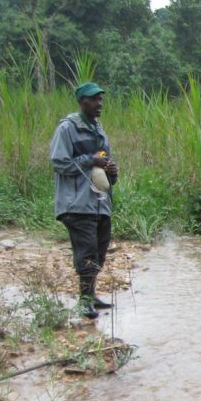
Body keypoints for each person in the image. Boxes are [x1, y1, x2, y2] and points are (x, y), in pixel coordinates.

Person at [50, 81, 119, 320]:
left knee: (99, 251)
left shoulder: (99, 129)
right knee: (87, 252)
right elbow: (60, 163)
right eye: (94, 99)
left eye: (101, 99)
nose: (99, 104)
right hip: (77, 204)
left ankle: (91, 296)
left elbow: (105, 165)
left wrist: (111, 167)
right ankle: (84, 301)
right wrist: (90, 160)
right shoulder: (67, 128)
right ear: (82, 102)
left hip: (100, 203)